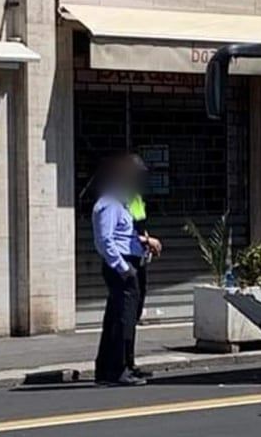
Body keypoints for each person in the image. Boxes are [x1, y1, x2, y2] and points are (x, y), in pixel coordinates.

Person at [92, 153, 160, 386]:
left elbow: (127, 233)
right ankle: (115, 370)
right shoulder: (109, 203)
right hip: (121, 265)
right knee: (121, 319)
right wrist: (123, 268)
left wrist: (145, 242)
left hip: (133, 261)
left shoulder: (127, 201)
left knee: (127, 317)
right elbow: (104, 240)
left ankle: (124, 365)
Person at [124, 154, 161, 378]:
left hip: (139, 257)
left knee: (135, 311)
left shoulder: (136, 197)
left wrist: (146, 241)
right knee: (126, 314)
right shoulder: (120, 198)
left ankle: (130, 362)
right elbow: (121, 234)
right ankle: (124, 364)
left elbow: (139, 225)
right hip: (126, 258)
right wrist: (147, 240)